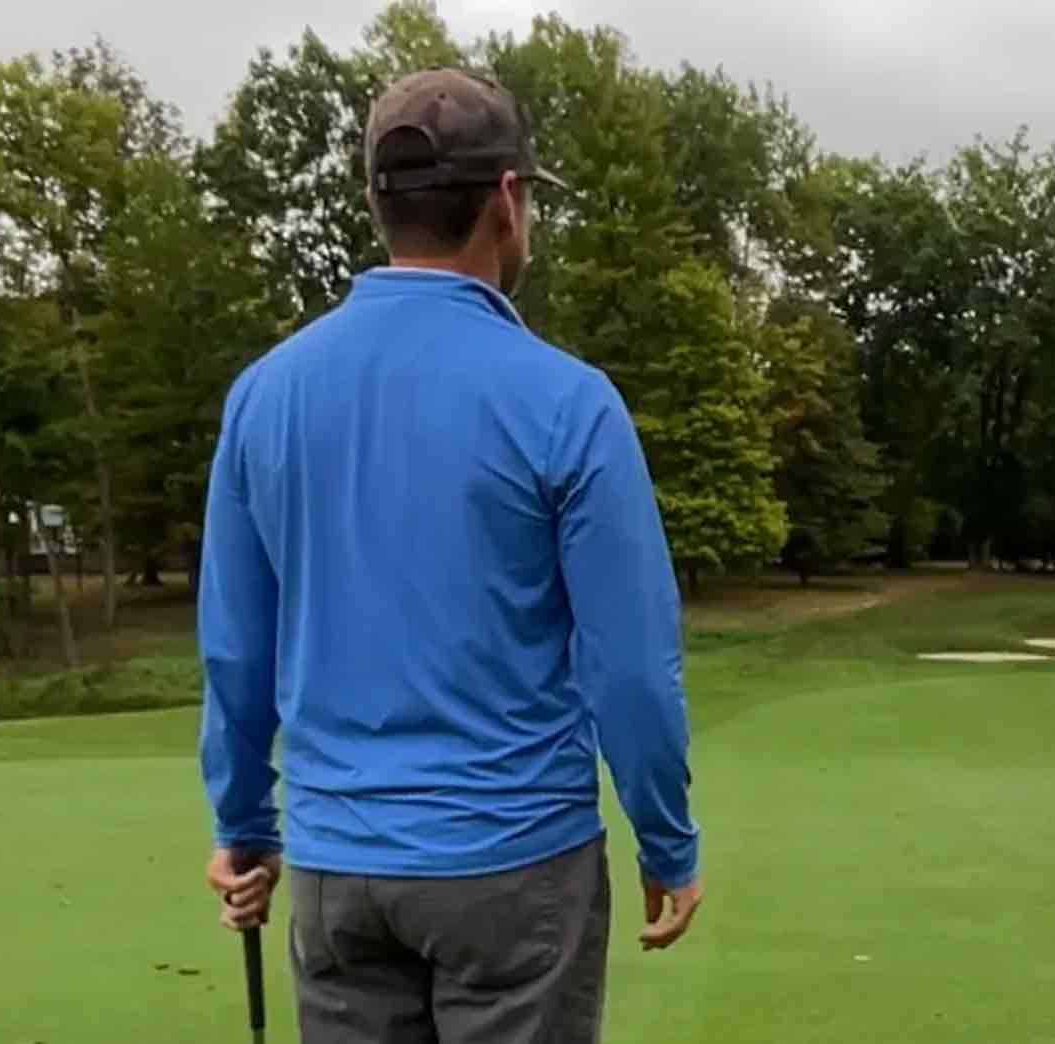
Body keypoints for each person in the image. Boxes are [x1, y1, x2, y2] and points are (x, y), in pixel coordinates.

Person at [197, 68, 702, 1043]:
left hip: (338, 870)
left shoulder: (264, 394)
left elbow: (235, 645)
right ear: (508, 201)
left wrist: (243, 821)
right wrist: (666, 841)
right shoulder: (567, 402)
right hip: (514, 868)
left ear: (376, 201)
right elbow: (630, 665)